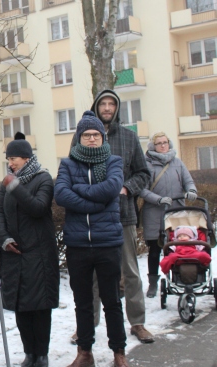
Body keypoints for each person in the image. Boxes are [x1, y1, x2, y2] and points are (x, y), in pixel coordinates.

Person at [55, 111, 129, 367]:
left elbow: (112, 188)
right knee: (83, 302)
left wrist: (81, 192)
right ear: (79, 138)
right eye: (86, 135)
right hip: (78, 244)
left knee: (111, 301)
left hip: (107, 242)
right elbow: (61, 195)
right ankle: (84, 352)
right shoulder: (67, 164)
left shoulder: (114, 162)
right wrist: (96, 202)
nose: (91, 139)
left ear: (102, 136)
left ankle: (119, 352)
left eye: (96, 134)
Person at [80, 90, 153, 344]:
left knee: (130, 271)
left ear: (117, 108)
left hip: (124, 215)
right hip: (94, 217)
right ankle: (88, 325)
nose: (108, 108)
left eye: (112, 104)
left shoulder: (130, 138)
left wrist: (126, 188)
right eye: (104, 104)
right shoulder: (84, 137)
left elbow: (144, 174)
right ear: (97, 107)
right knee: (94, 275)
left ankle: (138, 322)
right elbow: (73, 171)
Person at [0, 133, 59, 367]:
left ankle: (41, 354)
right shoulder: (8, 182)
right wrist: (3, 238)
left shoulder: (43, 179)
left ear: (26, 158)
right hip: (15, 254)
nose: (10, 163)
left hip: (39, 255)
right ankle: (29, 353)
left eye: (14, 159)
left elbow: (38, 208)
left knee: (39, 307)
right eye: (8, 159)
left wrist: (15, 187)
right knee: (21, 306)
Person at [138, 132, 197, 296]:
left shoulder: (177, 163)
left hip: (176, 212)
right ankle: (153, 284)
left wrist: (191, 191)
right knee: (155, 250)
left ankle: (179, 278)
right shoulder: (147, 165)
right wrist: (158, 199)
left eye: (165, 142)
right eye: (159, 143)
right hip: (154, 213)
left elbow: (188, 181)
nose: (163, 145)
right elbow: (141, 189)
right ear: (153, 146)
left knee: (177, 247)